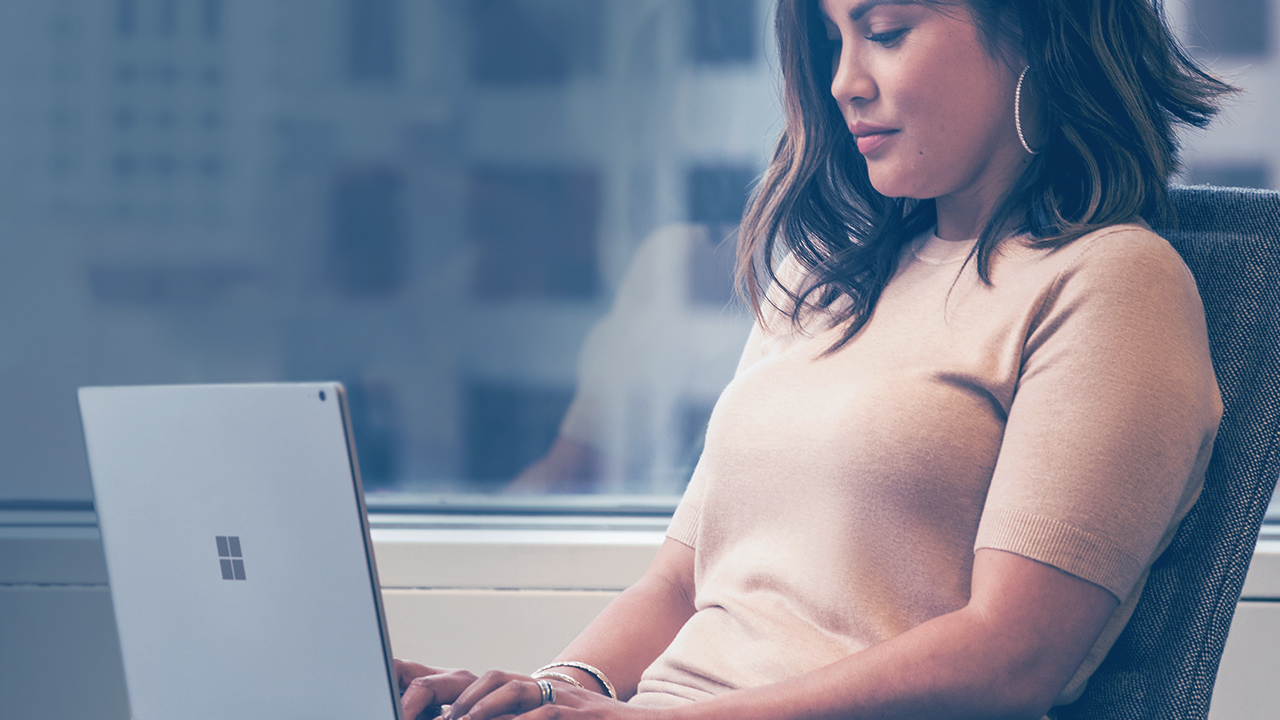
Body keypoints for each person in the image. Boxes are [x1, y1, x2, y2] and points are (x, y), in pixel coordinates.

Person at [397, 1, 1233, 718]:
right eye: (833, 41)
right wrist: (551, 691)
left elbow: (1012, 656)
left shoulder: (1111, 282)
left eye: (887, 32)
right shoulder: (824, 276)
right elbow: (679, 585)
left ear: (1036, 32)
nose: (843, 82)